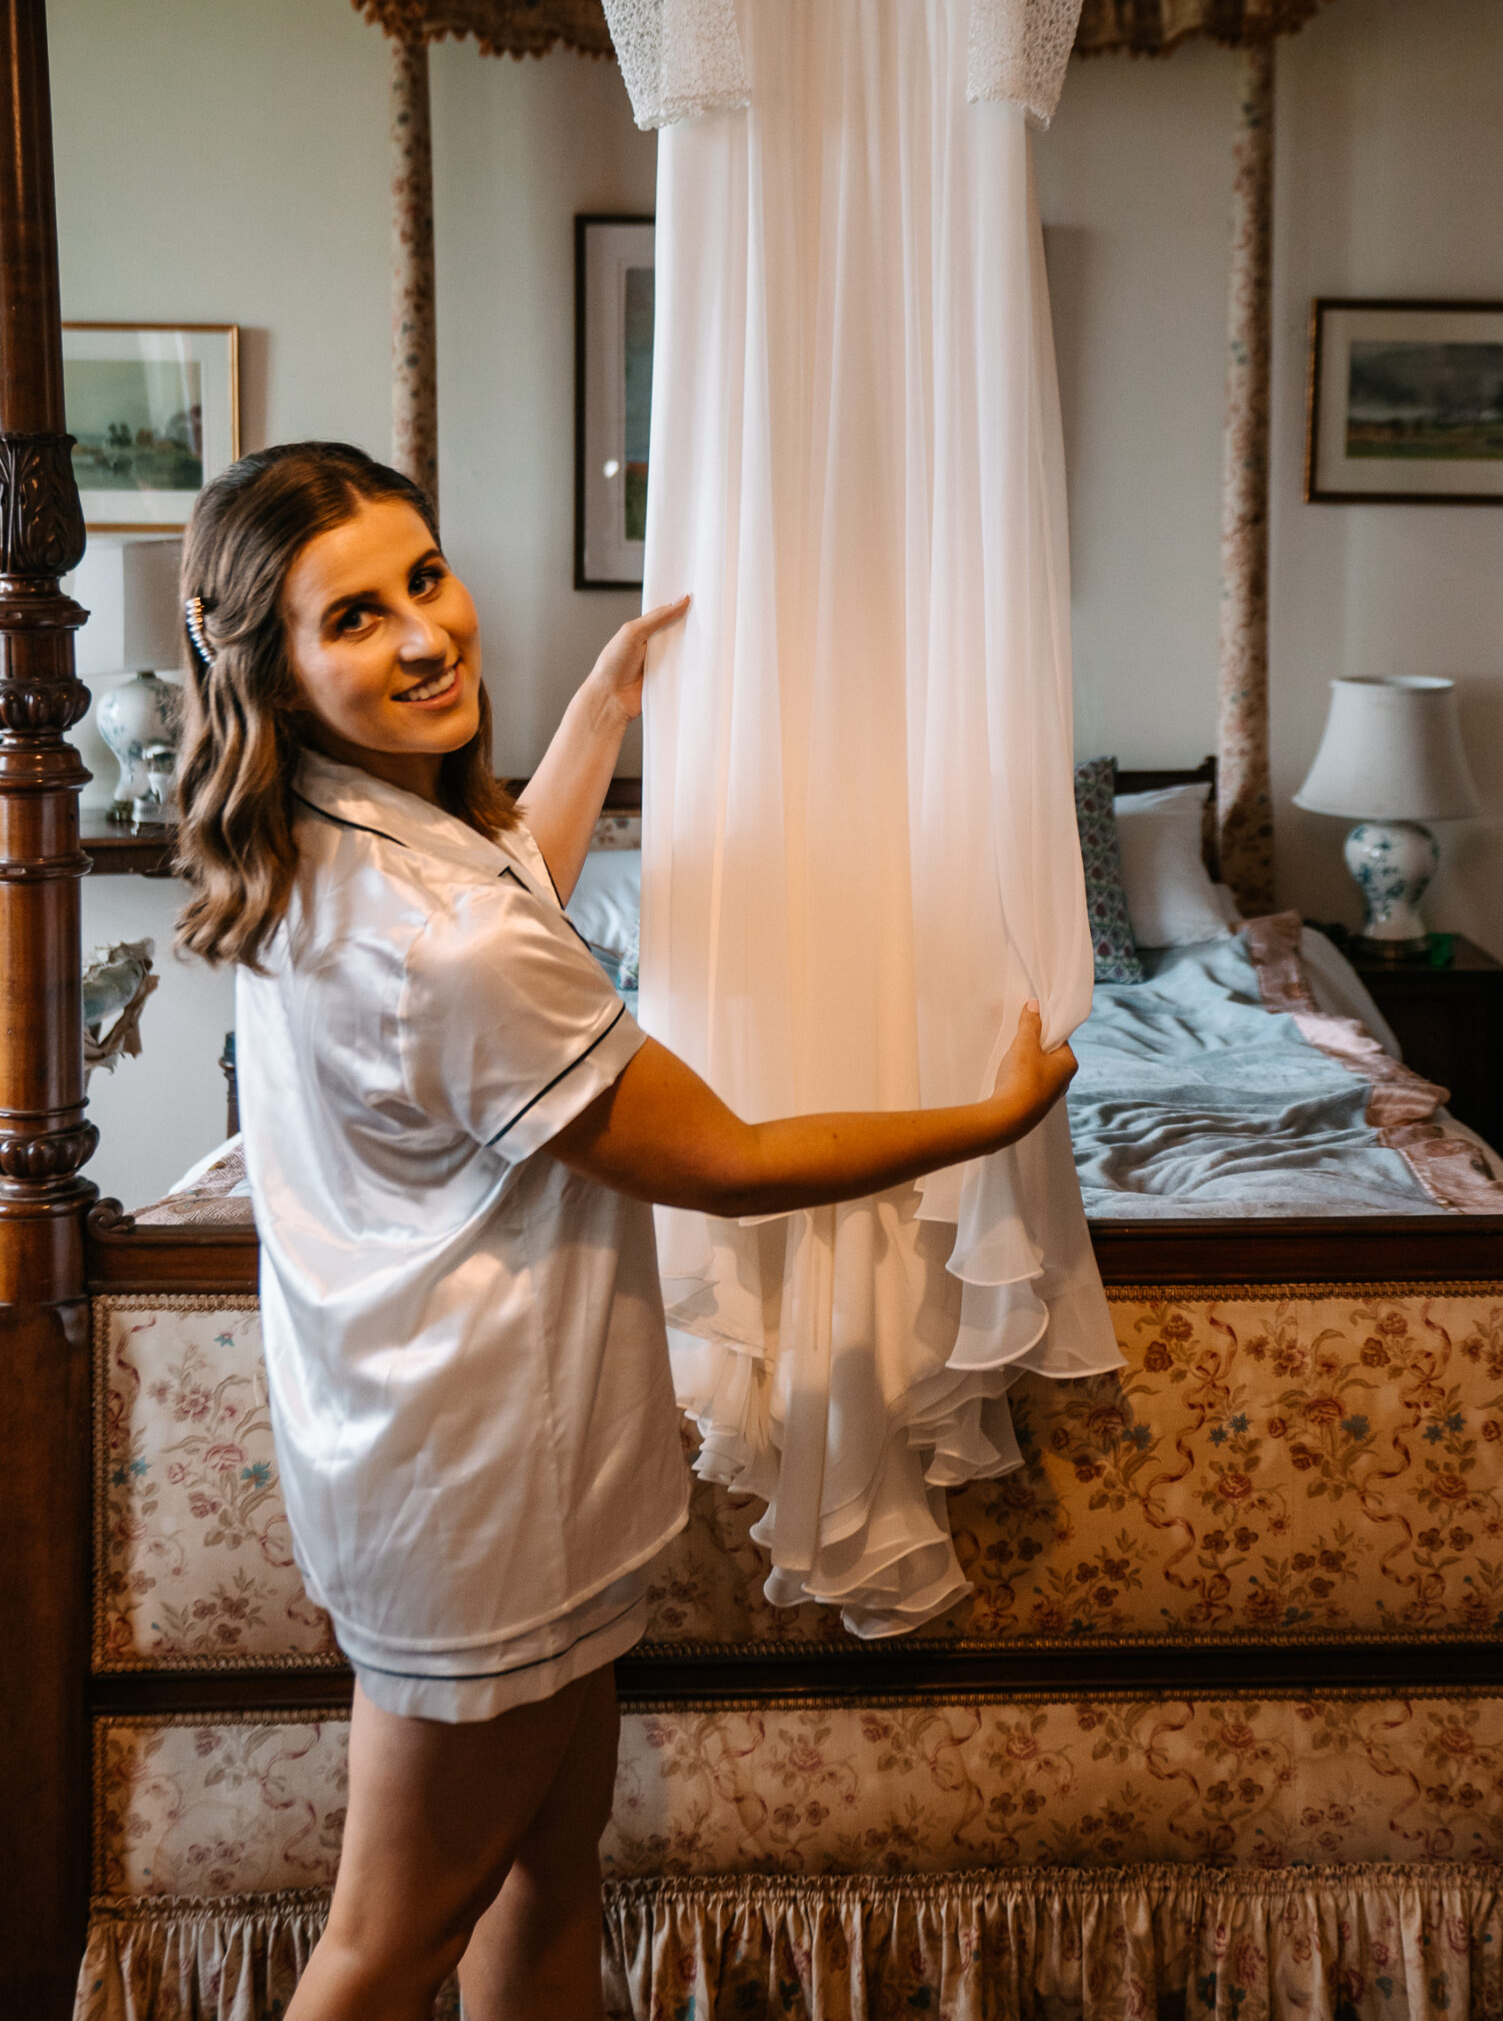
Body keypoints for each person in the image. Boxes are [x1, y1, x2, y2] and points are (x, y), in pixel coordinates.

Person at [173, 441, 1077, 2021]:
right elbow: (720, 1156)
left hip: (447, 1459)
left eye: (425, 578)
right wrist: (989, 1120)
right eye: (357, 618)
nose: (424, 634)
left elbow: (515, 891)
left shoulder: (332, 833)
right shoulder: (439, 941)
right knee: (386, 1949)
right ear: (272, 667)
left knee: (549, 1869)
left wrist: (599, 716)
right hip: (481, 1496)